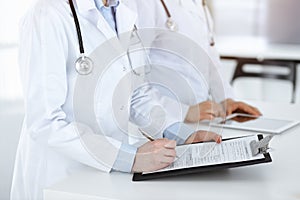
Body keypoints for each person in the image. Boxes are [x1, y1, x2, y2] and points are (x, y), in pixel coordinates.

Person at [11, 0, 221, 199]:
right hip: (58, 176)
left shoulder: (122, 11)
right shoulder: (47, 15)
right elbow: (44, 121)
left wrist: (183, 137)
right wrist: (130, 158)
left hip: (107, 177)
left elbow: (136, 95)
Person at [125, 0, 261, 123]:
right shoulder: (144, 3)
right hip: (158, 123)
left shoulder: (198, 4)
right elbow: (131, 75)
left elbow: (210, 57)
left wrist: (225, 99)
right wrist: (184, 112)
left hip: (200, 119)